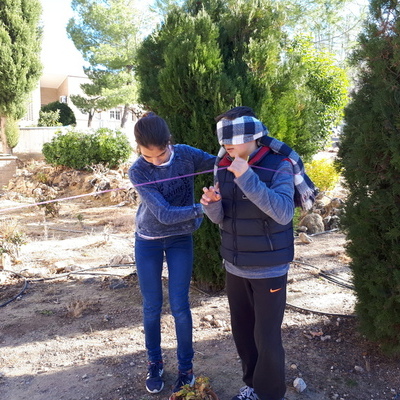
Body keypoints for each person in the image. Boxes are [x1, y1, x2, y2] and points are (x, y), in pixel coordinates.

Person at [200, 107, 316, 400]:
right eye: (224, 141)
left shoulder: (279, 165)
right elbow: (222, 218)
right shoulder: (223, 163)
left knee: (267, 337)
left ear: (251, 136)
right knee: (242, 333)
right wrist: (212, 204)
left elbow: (283, 212)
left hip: (269, 267)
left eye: (232, 140)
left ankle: (270, 394)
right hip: (235, 266)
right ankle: (252, 385)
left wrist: (247, 177)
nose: (227, 147)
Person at [128, 112, 216, 398]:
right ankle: (154, 364)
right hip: (149, 241)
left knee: (180, 306)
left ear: (169, 142)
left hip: (180, 240)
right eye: (147, 156)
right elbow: (164, 214)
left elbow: (220, 163)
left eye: (161, 154)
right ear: (139, 148)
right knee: (152, 306)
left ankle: (186, 370)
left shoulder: (187, 156)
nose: (155, 161)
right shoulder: (137, 171)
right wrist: (202, 209)